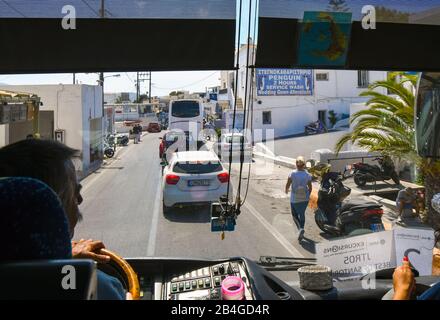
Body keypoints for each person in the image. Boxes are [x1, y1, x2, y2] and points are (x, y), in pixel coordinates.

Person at [0, 139, 130, 300]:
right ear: (49, 203)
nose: (80, 199)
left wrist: (64, 258)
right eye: (75, 192)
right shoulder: (90, 286)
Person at [285, 156, 313, 241]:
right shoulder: (307, 175)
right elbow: (310, 187)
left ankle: (300, 229)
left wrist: (286, 190)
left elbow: (288, 184)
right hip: (305, 198)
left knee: (294, 214)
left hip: (295, 198)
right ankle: (302, 227)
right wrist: (308, 195)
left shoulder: (292, 173)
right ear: (304, 165)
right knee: (302, 213)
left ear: (296, 164)